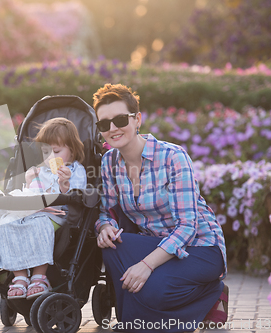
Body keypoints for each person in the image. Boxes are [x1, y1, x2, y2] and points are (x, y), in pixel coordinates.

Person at [93, 84, 228, 332]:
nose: (113, 128)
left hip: (199, 246)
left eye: (120, 119)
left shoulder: (173, 157)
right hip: (155, 244)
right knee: (111, 245)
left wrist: (146, 265)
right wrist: (105, 227)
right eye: (104, 124)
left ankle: (213, 292)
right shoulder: (108, 162)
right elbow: (106, 210)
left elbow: (188, 226)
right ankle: (131, 321)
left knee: (154, 289)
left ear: (137, 120)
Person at [0, 117, 87, 300]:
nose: (50, 157)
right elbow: (32, 195)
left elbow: (76, 195)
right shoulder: (41, 171)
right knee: (3, 224)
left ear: (72, 151)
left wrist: (64, 182)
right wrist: (31, 181)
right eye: (45, 152)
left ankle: (39, 276)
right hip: (32, 212)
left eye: (56, 151)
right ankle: (19, 277)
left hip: (56, 214)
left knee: (39, 223)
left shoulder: (75, 169)